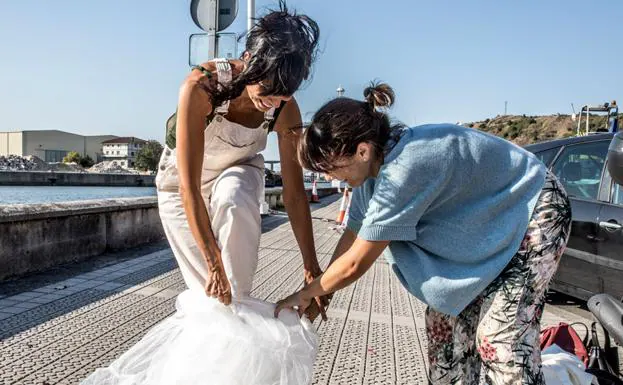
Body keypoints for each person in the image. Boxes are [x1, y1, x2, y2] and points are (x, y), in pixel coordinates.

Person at [81, 3, 327, 384]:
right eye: (268, 91)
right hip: (181, 186)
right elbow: (187, 187)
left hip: (238, 172)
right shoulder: (201, 87)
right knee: (216, 302)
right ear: (249, 62)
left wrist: (312, 268)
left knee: (235, 208)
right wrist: (213, 263)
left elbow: (294, 195)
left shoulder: (285, 110)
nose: (274, 102)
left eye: (284, 96)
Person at [276, 83, 572, 384]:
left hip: (533, 208)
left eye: (329, 168)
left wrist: (304, 293)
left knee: (500, 339)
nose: (328, 177)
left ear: (362, 150)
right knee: (445, 328)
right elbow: (352, 236)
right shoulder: (371, 171)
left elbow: (356, 263)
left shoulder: (404, 168)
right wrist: (322, 293)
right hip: (489, 227)